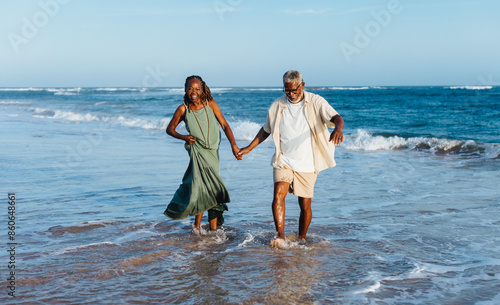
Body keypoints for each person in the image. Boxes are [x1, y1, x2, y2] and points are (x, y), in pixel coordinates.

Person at [238, 70, 344, 247]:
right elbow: (266, 129)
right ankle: (280, 236)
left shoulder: (316, 101)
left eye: (295, 90)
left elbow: (336, 118)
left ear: (302, 85)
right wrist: (249, 148)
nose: (292, 94)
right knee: (279, 192)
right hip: (284, 159)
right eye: (288, 91)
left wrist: (338, 130)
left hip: (308, 161)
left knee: (304, 204)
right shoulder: (277, 106)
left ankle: (302, 239)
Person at [165, 75, 241, 232]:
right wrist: (183, 137)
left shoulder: (211, 104)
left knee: (212, 188)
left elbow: (225, 126)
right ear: (185, 89)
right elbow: (170, 129)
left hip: (213, 152)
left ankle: (212, 229)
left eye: (197, 89)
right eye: (190, 88)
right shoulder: (183, 109)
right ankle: (198, 227)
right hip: (197, 152)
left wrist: (233, 145)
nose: (194, 92)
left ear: (202, 89)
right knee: (202, 188)